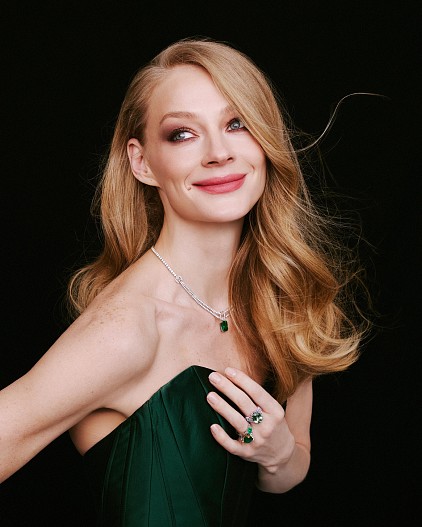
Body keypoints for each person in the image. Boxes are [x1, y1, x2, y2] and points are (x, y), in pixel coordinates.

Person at [0, 38, 366, 525]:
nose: (218, 153)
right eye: (182, 134)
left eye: (236, 124)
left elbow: (291, 469)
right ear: (142, 162)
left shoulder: (279, 299)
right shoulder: (127, 328)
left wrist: (277, 453)